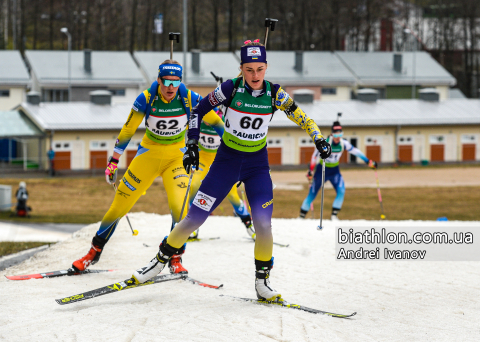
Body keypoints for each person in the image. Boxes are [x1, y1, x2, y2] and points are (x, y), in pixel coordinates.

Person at [131, 40, 331, 302]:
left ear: (266, 67)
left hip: (257, 166)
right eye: (249, 70)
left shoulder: (275, 94)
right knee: (194, 218)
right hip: (226, 162)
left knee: (263, 224)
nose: (255, 76)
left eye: (260, 69)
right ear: (241, 69)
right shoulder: (230, 88)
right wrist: (192, 143)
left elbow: (303, 117)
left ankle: (262, 283)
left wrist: (318, 138)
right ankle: (158, 262)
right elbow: (197, 112)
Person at [71, 60, 224, 274]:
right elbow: (127, 130)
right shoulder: (146, 98)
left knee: (179, 208)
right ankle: (93, 253)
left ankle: (175, 257)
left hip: (176, 158)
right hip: (148, 155)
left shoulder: (190, 98)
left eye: (176, 81)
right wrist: (113, 161)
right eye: (167, 82)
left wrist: (230, 147)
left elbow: (216, 122)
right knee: (118, 206)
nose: (171, 87)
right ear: (159, 80)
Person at [188, 107, 255, 240]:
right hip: (203, 159)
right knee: (194, 185)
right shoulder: (198, 120)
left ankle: (249, 225)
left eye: (212, 119)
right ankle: (191, 225)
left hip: (220, 160)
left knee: (231, 194)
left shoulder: (224, 122)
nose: (207, 122)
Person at [299, 120, 377, 221]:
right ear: (332, 134)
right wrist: (310, 170)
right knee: (312, 193)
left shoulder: (343, 143)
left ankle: (334, 215)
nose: (338, 137)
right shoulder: (325, 143)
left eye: (340, 134)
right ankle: (301, 217)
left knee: (341, 190)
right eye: (336, 134)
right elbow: (314, 156)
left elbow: (356, 151)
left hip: (334, 171)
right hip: (322, 170)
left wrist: (368, 161)